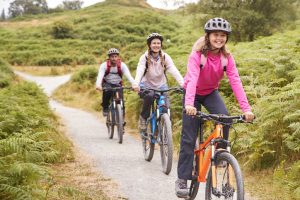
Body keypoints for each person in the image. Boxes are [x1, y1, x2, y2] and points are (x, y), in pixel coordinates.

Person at [175, 18, 255, 198]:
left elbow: (235, 81)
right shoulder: (197, 55)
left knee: (225, 118)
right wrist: (189, 104)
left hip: (211, 92)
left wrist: (246, 109)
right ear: (208, 36)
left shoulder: (226, 57)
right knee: (189, 136)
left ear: (226, 38)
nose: (219, 38)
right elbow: (193, 78)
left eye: (223, 36)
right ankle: (182, 178)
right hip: (192, 93)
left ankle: (220, 158)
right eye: (215, 35)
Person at [135, 33, 184, 130]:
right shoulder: (144, 57)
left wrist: (183, 83)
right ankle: (143, 118)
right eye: (154, 43)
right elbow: (140, 70)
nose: (156, 45)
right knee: (149, 96)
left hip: (161, 85)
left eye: (158, 43)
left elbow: (173, 70)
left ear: (161, 45)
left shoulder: (165, 57)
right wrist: (136, 83)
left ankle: (164, 129)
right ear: (149, 45)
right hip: (146, 85)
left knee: (165, 108)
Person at [96, 48, 137, 117]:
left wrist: (134, 84)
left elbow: (129, 76)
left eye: (115, 56)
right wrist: (98, 85)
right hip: (107, 83)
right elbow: (100, 76)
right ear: (109, 58)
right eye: (112, 57)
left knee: (121, 101)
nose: (114, 58)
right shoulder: (104, 65)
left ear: (118, 57)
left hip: (117, 84)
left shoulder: (122, 65)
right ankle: (105, 108)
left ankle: (121, 119)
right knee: (107, 92)